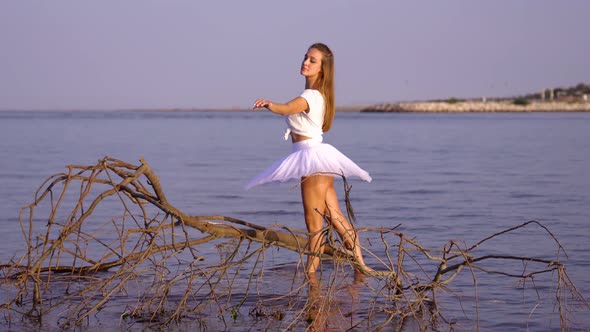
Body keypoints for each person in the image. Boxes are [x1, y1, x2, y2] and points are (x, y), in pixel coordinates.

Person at [246, 43, 373, 275]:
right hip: (316, 156)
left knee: (313, 223)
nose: (305, 62)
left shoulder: (310, 96)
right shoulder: (319, 95)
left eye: (312, 60)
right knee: (334, 216)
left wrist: (269, 104)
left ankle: (311, 277)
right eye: (305, 57)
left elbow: (286, 108)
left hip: (310, 157)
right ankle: (361, 268)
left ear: (322, 69)